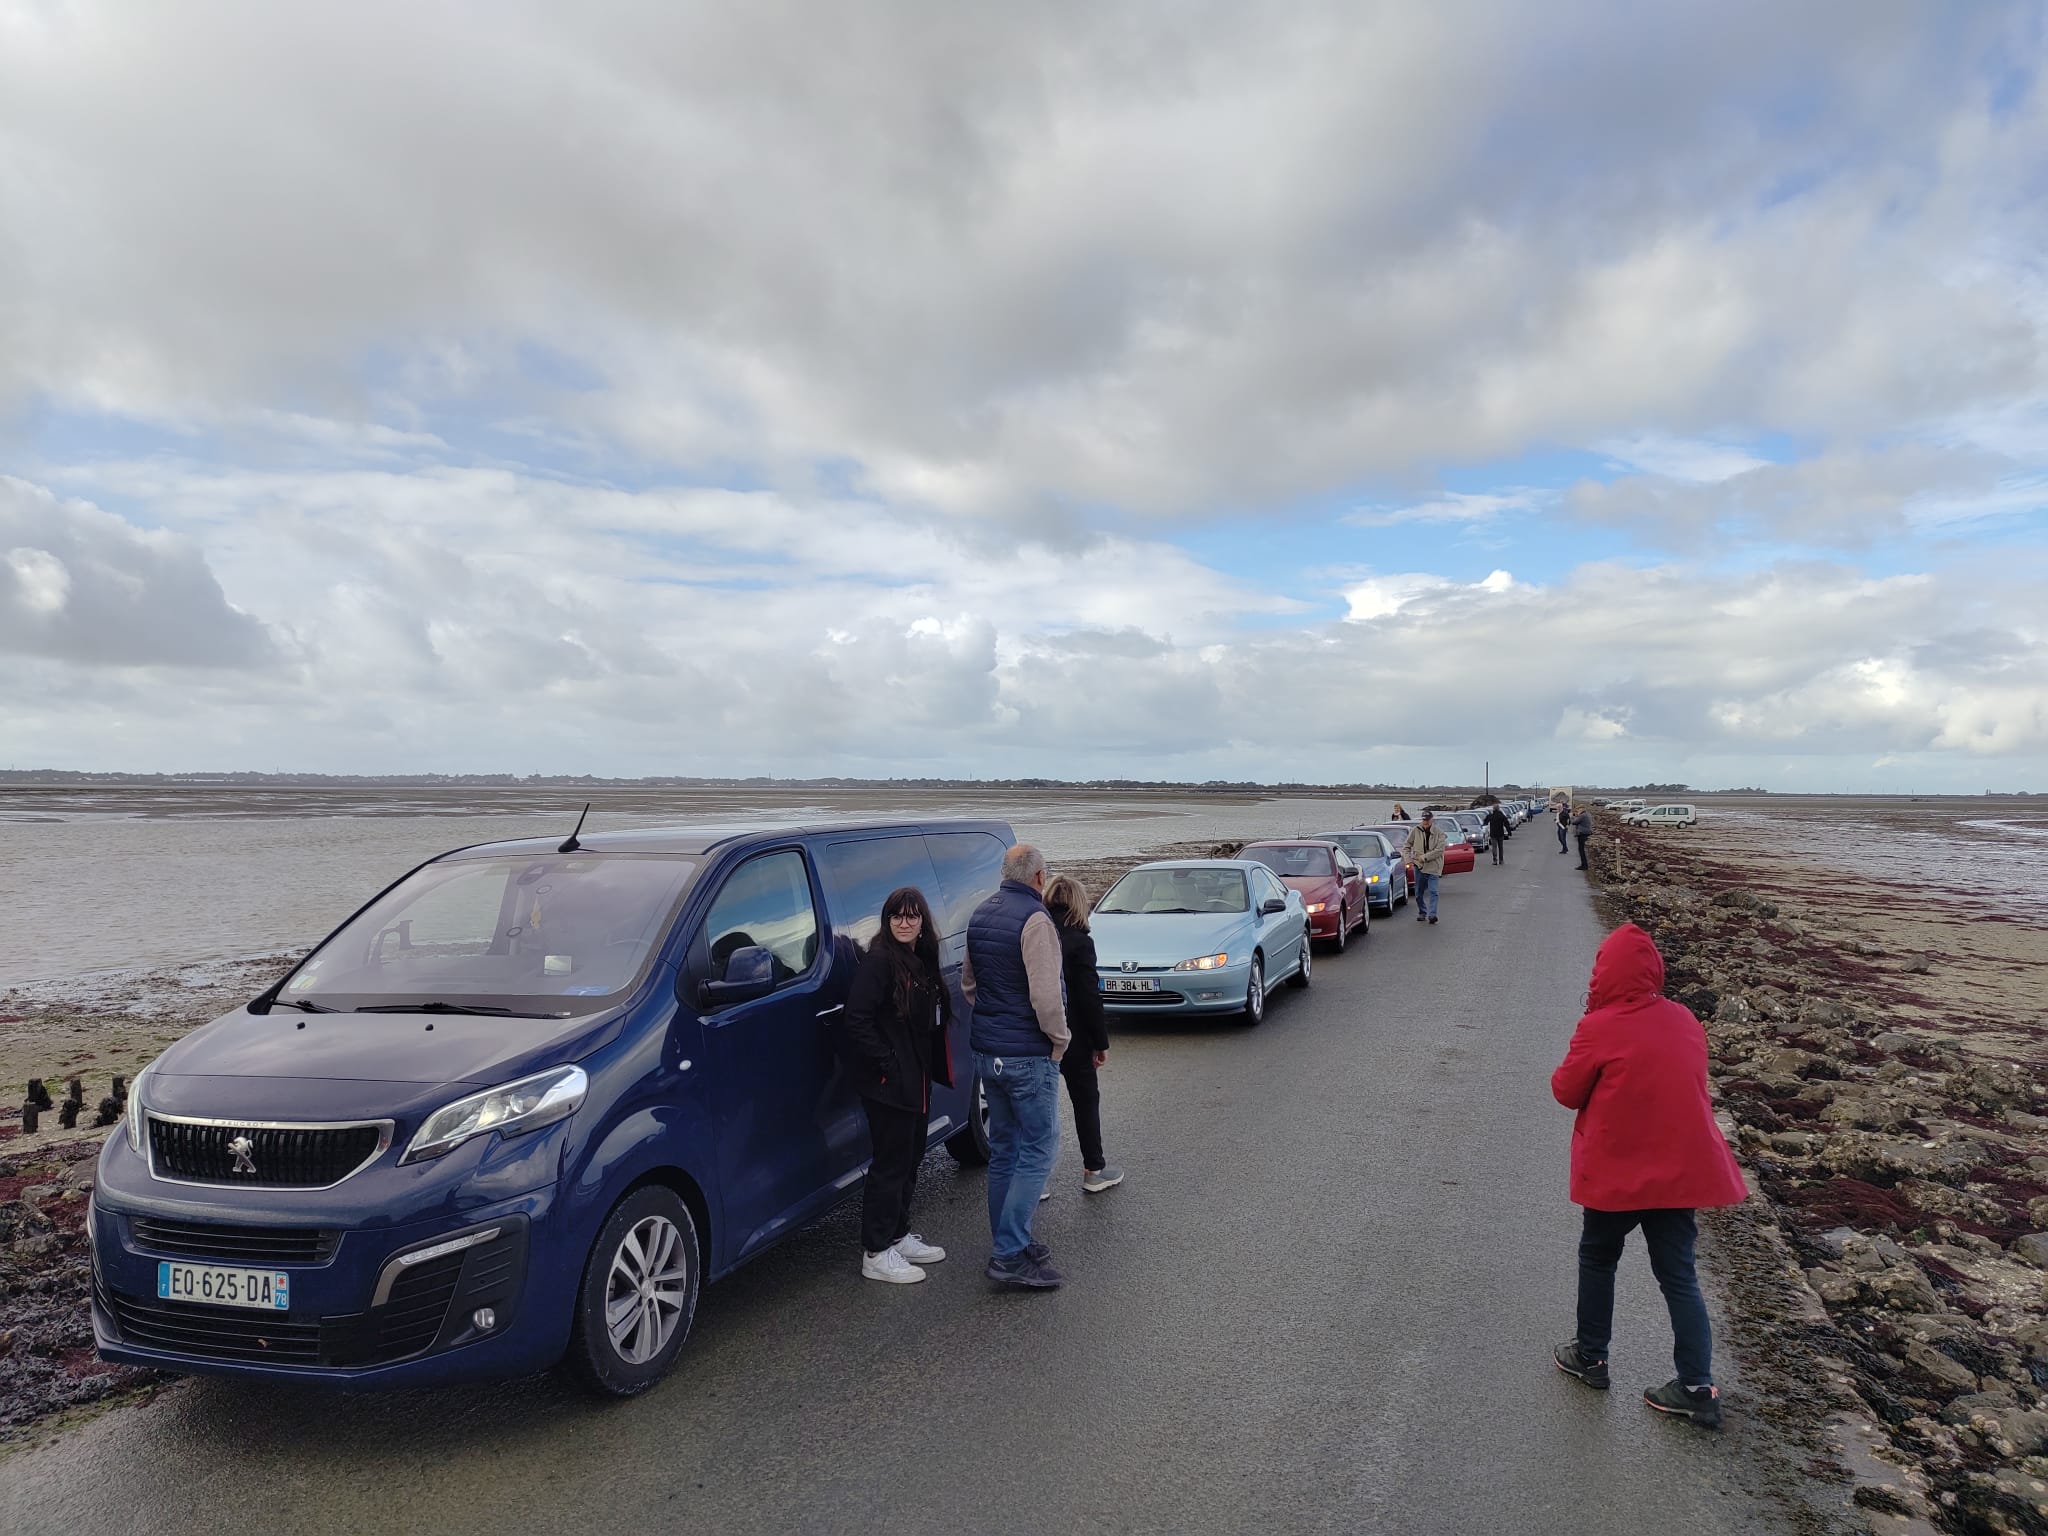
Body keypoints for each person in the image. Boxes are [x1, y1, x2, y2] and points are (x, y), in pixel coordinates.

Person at [1550, 923, 1747, 1429]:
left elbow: (1566, 1091)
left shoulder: (1599, 1025)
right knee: (1679, 1275)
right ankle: (1697, 1387)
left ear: (1604, 975)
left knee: (1598, 1257)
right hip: (1677, 1175)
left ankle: (1591, 1357)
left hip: (1617, 1175)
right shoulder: (1684, 1020)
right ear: (1653, 971)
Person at [962, 843, 1071, 1289]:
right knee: (1039, 1149)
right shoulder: (1036, 921)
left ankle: (1010, 1240)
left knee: (1005, 1150)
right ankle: (1009, 1252)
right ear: (1040, 877)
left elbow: (969, 985)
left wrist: (993, 1022)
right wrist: (1060, 1041)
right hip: (1028, 1053)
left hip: (989, 1053)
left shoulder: (980, 914)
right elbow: (1046, 996)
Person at [841, 888, 953, 1284]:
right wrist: (888, 1065)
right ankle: (875, 1251)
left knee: (911, 1159)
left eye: (912, 916)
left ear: (923, 921)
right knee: (890, 1166)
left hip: (916, 1080)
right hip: (889, 1084)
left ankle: (898, 1234)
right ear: (887, 921)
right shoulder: (879, 962)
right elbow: (857, 1019)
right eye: (897, 917)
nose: (905, 923)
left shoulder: (918, 959)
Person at [1043, 875, 1123, 1196]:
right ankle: (1094, 1169)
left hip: (1041, 1033)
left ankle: (1038, 1181)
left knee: (1042, 1107)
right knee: (1085, 1102)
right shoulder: (1080, 941)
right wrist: (1100, 1043)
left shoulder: (1039, 936)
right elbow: (1090, 997)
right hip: (1074, 1036)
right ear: (1080, 903)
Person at [1402, 810, 1447, 925]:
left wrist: (1425, 857)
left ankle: (1432, 914)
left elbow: (1439, 850)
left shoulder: (1439, 833)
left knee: (1433, 891)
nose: (1425, 822)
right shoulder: (1415, 830)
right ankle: (1422, 911)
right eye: (1423, 819)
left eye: (1427, 819)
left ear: (1432, 819)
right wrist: (1408, 860)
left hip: (1434, 867)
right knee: (1418, 893)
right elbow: (1406, 846)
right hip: (1419, 866)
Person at [1572, 804, 1594, 870]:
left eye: (1578, 809)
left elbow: (1574, 822)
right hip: (1586, 832)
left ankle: (1584, 865)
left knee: (1581, 850)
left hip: (1582, 833)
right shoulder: (1587, 814)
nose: (1577, 811)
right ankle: (1584, 865)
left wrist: (1572, 817)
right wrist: (1577, 816)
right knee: (1581, 849)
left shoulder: (1582, 815)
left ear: (1581, 809)